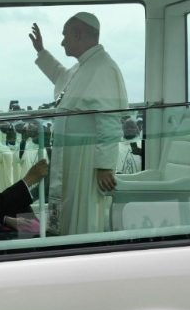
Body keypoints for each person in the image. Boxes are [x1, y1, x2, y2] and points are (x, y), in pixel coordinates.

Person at [30, 13, 128, 235]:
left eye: (65, 36)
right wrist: (41, 52)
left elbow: (110, 122)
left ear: (80, 34)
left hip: (86, 161)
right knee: (66, 212)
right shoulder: (83, 66)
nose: (63, 41)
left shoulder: (104, 67)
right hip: (71, 158)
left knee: (82, 215)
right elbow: (60, 76)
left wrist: (104, 167)